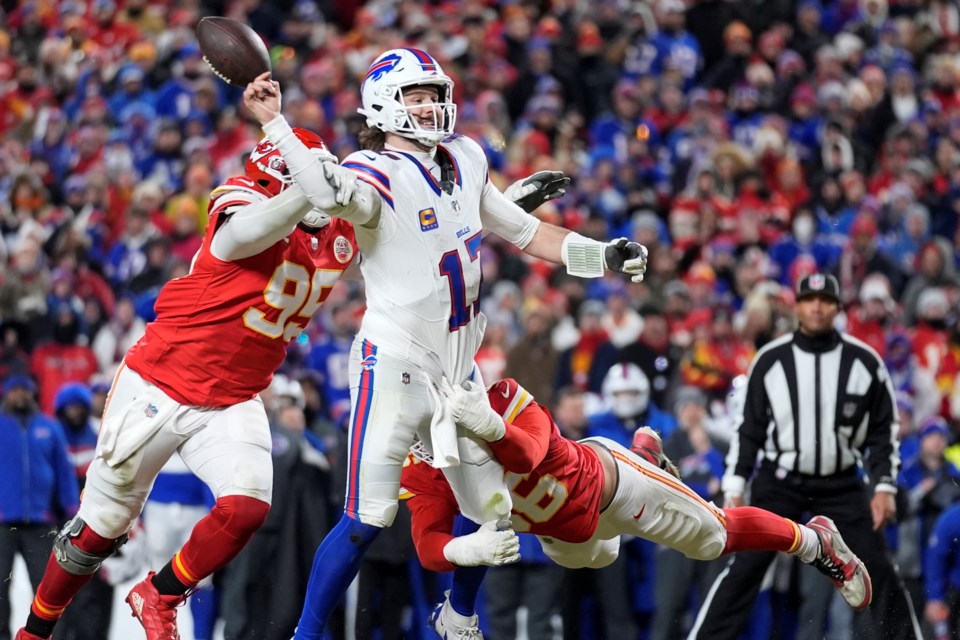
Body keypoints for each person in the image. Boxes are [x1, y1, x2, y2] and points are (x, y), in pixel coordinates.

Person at [265, 49, 649, 640]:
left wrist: (600, 256)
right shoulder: (374, 169)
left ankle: (458, 617)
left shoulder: (465, 157)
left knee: (495, 509)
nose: (431, 106)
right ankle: (305, 636)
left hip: (457, 369)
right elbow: (336, 196)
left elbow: (522, 230)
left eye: (434, 93)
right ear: (383, 106)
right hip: (391, 362)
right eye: (416, 95)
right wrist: (278, 127)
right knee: (368, 517)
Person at [13, 76, 360, 640]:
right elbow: (247, 233)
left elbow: (405, 228)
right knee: (97, 532)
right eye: (302, 173)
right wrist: (305, 191)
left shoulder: (341, 228)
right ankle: (35, 630)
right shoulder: (241, 201)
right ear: (279, 178)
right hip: (160, 382)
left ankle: (160, 594)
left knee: (247, 508)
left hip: (233, 397)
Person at [399, 377, 873, 639]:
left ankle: (815, 541)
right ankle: (647, 454)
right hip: (565, 538)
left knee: (714, 540)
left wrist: (487, 424)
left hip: (612, 485)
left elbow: (525, 454)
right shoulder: (424, 465)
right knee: (599, 556)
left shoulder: (501, 398)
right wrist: (467, 550)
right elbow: (427, 545)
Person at [690, 273, 921, 640]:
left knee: (877, 566)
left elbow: (882, 429)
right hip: (780, 481)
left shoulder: (864, 362)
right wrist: (735, 485)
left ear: (837, 307)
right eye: (809, 299)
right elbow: (748, 429)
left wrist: (884, 486)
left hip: (842, 482)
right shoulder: (770, 360)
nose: (816, 307)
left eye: (825, 300)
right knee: (746, 567)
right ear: (796, 305)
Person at [1, 376, 79, 640]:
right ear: (7, 394)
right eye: (15, 390)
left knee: (50, 591)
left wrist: (72, 510)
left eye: (25, 390)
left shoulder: (49, 426)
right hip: (3, 521)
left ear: (33, 394)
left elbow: (64, 472)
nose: (20, 395)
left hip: (42, 520)